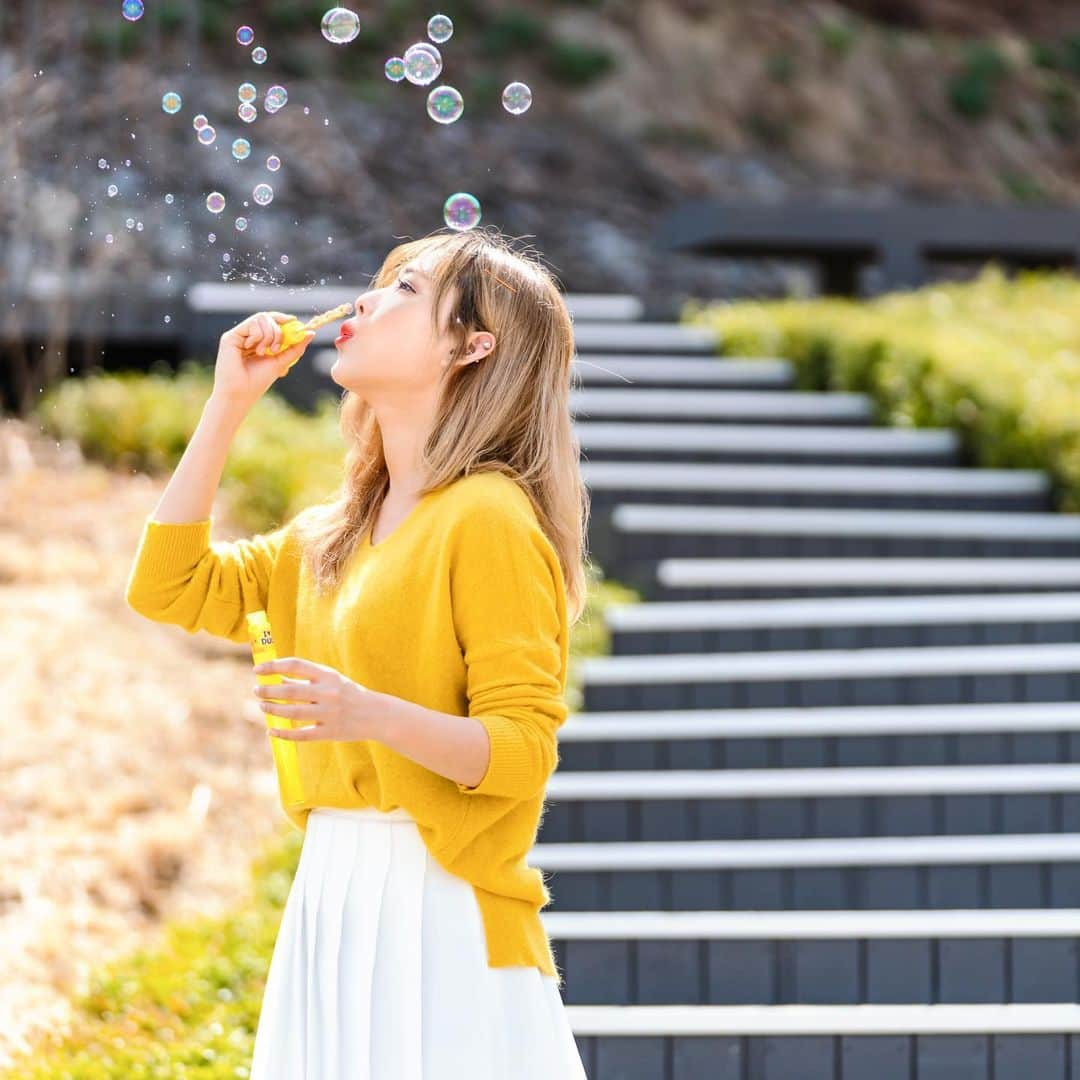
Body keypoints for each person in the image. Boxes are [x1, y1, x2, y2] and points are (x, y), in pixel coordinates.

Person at [125, 225, 592, 1078]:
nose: (367, 301)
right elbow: (167, 584)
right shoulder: (330, 534)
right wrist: (228, 403)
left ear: (471, 345)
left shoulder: (487, 516)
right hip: (331, 893)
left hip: (440, 906)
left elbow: (522, 753)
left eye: (407, 290)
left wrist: (365, 714)